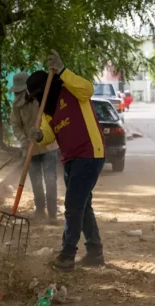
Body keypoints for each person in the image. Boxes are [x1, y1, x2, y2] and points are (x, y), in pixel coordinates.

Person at [26, 50, 105, 272]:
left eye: (40, 95)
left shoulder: (72, 91)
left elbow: (88, 89)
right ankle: (94, 251)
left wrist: (62, 70)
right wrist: (39, 136)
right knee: (82, 205)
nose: (40, 100)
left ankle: (67, 255)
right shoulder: (47, 112)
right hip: (71, 158)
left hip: (90, 152)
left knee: (73, 205)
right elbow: (49, 135)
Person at [9, 72, 59, 224]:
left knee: (50, 180)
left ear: (27, 89)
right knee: (36, 180)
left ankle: (52, 214)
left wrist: (42, 134)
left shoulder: (41, 100)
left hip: (48, 146)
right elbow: (15, 125)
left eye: (19, 91)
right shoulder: (16, 106)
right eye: (15, 92)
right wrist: (23, 139)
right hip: (30, 148)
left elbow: (51, 120)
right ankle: (40, 211)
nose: (17, 94)